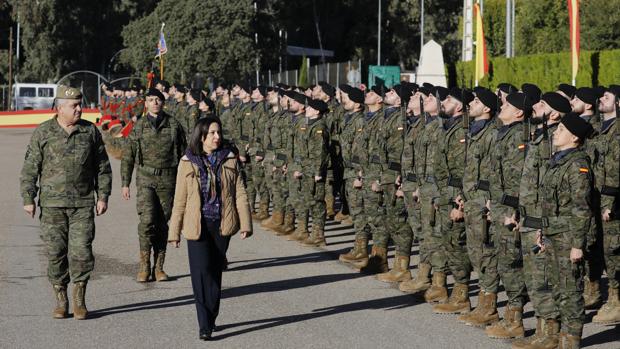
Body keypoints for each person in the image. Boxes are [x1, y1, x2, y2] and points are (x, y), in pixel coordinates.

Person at [20, 85, 112, 320]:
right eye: (74, 105)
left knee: (82, 252)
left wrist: (103, 196)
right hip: (52, 205)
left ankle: (80, 299)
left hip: (82, 204)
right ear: (60, 108)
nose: (79, 109)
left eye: (80, 104)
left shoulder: (89, 132)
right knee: (55, 253)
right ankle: (61, 299)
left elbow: (103, 167)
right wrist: (28, 198)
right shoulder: (44, 132)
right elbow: (31, 167)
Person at [168, 116, 252, 341]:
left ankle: (211, 315)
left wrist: (245, 223)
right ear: (201, 136)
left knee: (214, 274)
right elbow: (180, 200)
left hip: (221, 223)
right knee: (200, 272)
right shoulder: (187, 161)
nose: (217, 137)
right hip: (197, 225)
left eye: (219, 132)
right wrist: (174, 233)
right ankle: (204, 325)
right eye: (212, 133)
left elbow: (240, 192)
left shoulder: (230, 159)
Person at [121, 88, 186, 283]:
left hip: (168, 178)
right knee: (147, 221)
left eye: (158, 99)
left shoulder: (174, 125)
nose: (155, 103)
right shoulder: (139, 126)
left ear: (163, 102)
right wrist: (125, 183)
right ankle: (144, 265)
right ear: (146, 104)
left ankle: (159, 267)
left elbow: (184, 155)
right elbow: (128, 156)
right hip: (146, 178)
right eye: (151, 100)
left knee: (161, 223)